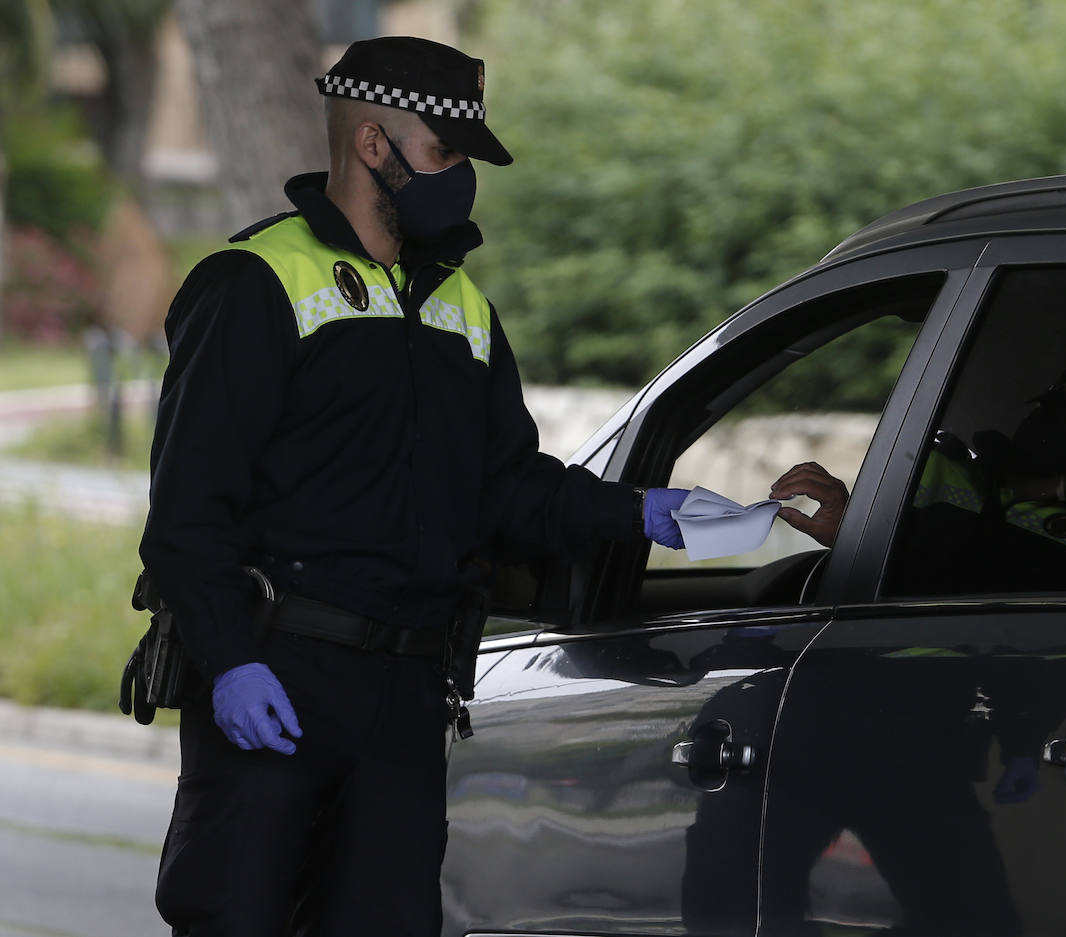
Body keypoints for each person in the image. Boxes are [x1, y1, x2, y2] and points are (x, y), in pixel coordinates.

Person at [136, 36, 688, 937]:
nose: (461, 174)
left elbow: (503, 489)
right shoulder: (257, 281)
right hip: (279, 678)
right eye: (444, 151)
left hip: (405, 694)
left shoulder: (461, 307)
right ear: (370, 145)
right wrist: (230, 658)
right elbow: (190, 508)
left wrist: (635, 511)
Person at [770, 362, 1066, 592]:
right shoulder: (932, 464)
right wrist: (854, 525)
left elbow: (992, 587)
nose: (1050, 430)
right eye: (1047, 412)